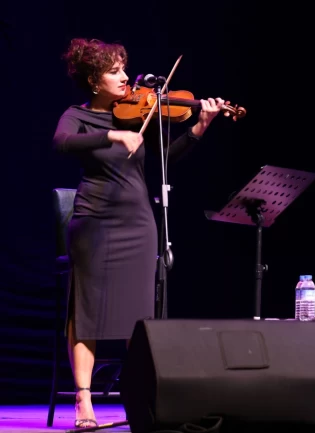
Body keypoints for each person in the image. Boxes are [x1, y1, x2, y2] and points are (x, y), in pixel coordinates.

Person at [52, 38, 224, 428]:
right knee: (87, 313)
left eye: (123, 69)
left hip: (138, 223)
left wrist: (200, 126)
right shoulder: (78, 116)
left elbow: (164, 162)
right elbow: (61, 142)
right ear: (93, 80)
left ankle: (141, 397)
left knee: (139, 315)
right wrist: (111, 136)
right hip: (94, 222)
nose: (125, 77)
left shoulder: (134, 115)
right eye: (114, 71)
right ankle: (84, 401)